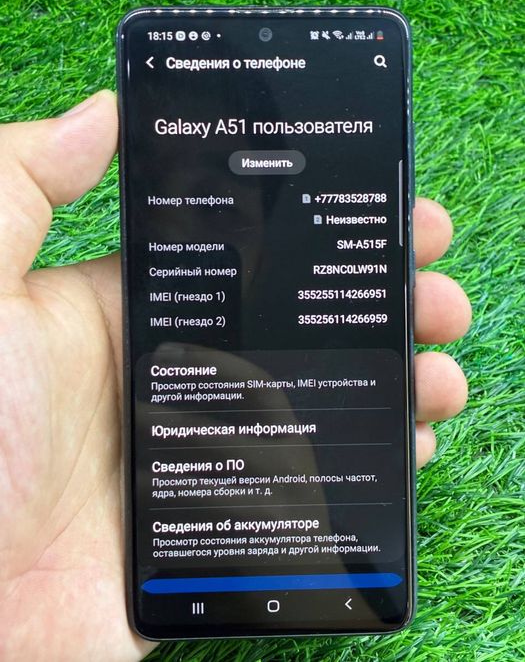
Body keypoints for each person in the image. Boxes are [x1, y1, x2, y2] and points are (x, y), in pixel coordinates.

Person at [0, 90, 472, 661]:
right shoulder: (75, 372)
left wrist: (311, 559)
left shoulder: (340, 399)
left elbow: (342, 591)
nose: (179, 227)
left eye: (214, 203)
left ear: (264, 240)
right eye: (161, 191)